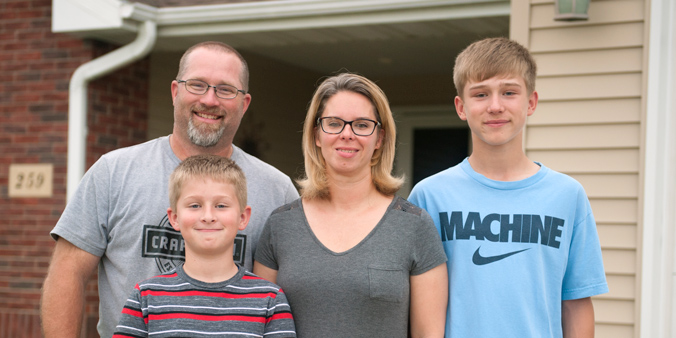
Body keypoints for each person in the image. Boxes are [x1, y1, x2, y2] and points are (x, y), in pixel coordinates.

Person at [41, 41, 299, 338]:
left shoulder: (278, 190)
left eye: (226, 89)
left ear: (245, 103)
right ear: (176, 91)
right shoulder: (114, 172)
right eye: (197, 85)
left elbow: (294, 291)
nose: (210, 99)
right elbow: (67, 274)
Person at [408, 37, 609, 338]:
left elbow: (576, 304)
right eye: (480, 94)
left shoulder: (568, 196)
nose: (495, 106)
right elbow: (416, 306)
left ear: (531, 102)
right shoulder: (429, 196)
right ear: (461, 107)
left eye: (509, 92)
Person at [254, 72, 448, 338]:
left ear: (379, 138)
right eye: (334, 123)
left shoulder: (414, 226)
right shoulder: (280, 225)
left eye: (362, 124)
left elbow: (429, 333)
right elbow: (261, 326)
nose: (347, 134)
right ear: (317, 135)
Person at [112, 155, 296, 338]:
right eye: (194, 205)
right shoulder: (145, 298)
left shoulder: (270, 301)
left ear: (242, 217)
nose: (208, 216)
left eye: (221, 205)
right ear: (175, 218)